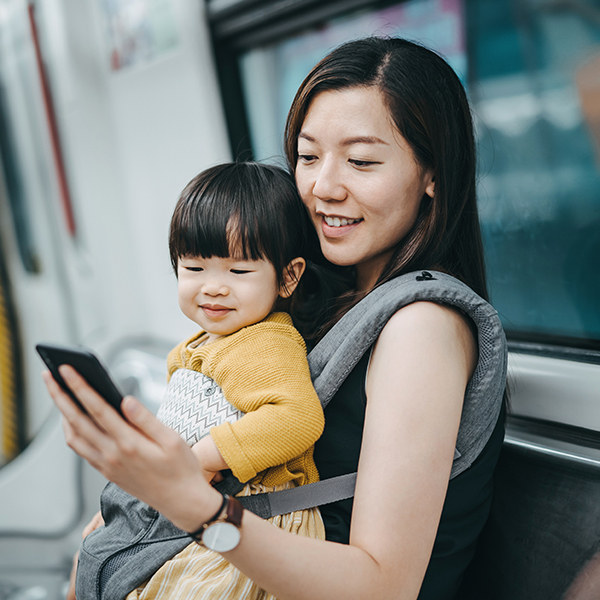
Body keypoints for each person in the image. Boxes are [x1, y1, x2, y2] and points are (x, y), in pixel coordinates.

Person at [44, 36, 507, 600]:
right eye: (308, 156)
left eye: (361, 161)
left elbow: (382, 587)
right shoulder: (315, 301)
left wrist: (189, 502)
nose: (322, 187)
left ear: (433, 174)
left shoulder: (421, 326)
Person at [77, 162, 346, 600]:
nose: (213, 288)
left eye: (238, 272)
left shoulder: (267, 341)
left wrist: (203, 458)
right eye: (194, 269)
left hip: (255, 523)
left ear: (289, 276)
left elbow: (297, 418)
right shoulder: (191, 351)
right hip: (204, 516)